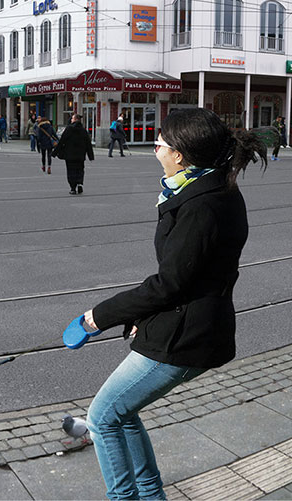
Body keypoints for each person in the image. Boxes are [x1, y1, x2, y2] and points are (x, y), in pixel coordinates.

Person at [79, 108, 269, 500]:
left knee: (102, 418)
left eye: (161, 141)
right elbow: (187, 275)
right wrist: (143, 315)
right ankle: (149, 496)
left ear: (180, 154)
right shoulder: (208, 188)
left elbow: (170, 283)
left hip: (185, 335)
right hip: (188, 323)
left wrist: (98, 317)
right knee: (122, 413)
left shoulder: (202, 204)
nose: (156, 145)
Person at [56, 115, 94, 194]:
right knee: (80, 169)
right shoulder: (83, 130)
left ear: (75, 119)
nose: (71, 120)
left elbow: (62, 141)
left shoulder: (69, 129)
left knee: (71, 171)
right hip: (80, 155)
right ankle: (79, 183)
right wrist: (90, 155)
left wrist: (55, 152)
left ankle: (73, 188)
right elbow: (88, 143)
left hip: (70, 155)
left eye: (72, 118)